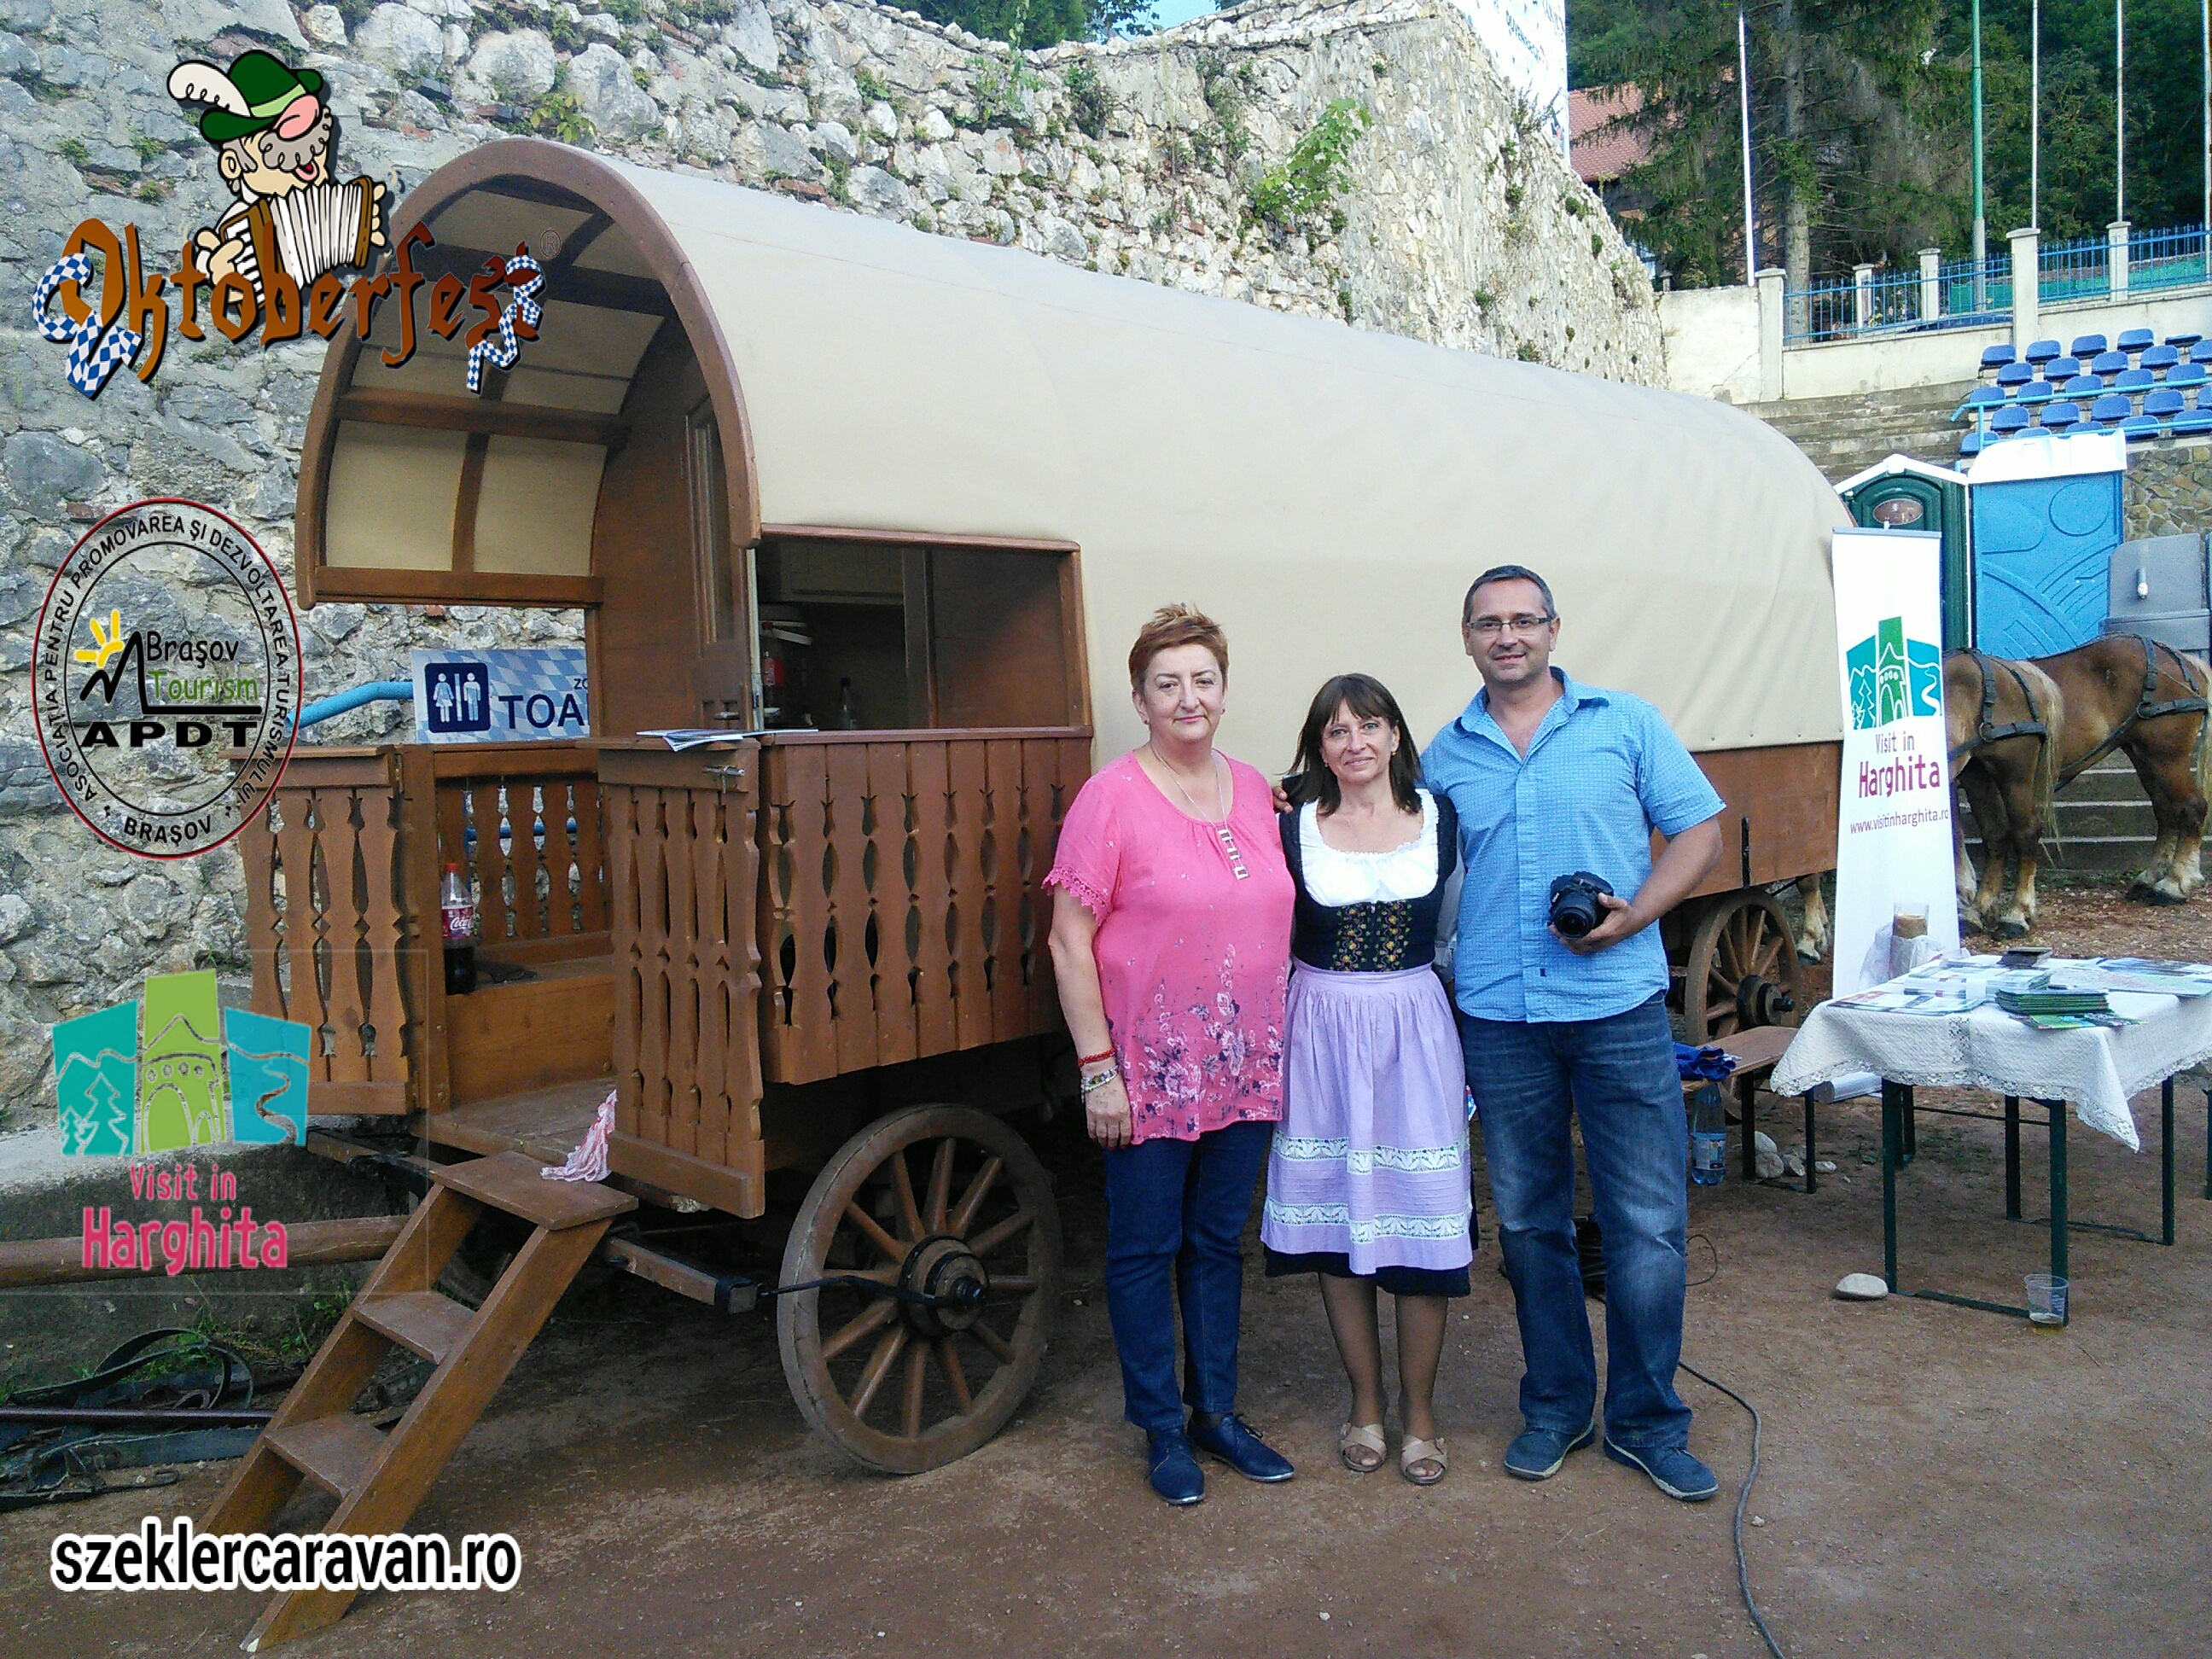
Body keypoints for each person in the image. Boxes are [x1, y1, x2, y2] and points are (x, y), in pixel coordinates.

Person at [1420, 565, 1726, 1502]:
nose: (1507, 636)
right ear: (1467, 639)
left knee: (1648, 1223)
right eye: (1489, 624)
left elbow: (1700, 832)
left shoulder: (1625, 724)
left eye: (1524, 620)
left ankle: (1647, 1421)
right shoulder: (1444, 754)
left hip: (1618, 1009)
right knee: (1527, 1224)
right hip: (1501, 1018)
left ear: (1554, 629)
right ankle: (1556, 1407)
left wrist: (1637, 917)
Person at [1046, 604, 1299, 1506]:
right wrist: (1098, 1071)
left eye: (1203, 680)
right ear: (1140, 699)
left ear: (1224, 691)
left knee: (1217, 1243)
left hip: (1245, 1067)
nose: (1188, 698)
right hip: (1148, 1072)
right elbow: (1069, 940)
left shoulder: (1256, 790)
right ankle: (1160, 1425)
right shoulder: (1110, 798)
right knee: (1145, 1248)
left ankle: (1215, 1413)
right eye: (1167, 684)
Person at [1260, 674, 1470, 1487]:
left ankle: (1421, 1416)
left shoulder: (1440, 818)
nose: (1356, 743)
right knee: (1339, 1227)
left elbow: (1453, 929)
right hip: (1320, 1029)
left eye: (1370, 726)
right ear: (1319, 746)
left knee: (1421, 1223)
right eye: (1337, 731)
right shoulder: (1292, 827)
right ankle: (1366, 1407)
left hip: (1413, 1026)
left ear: (1394, 736)